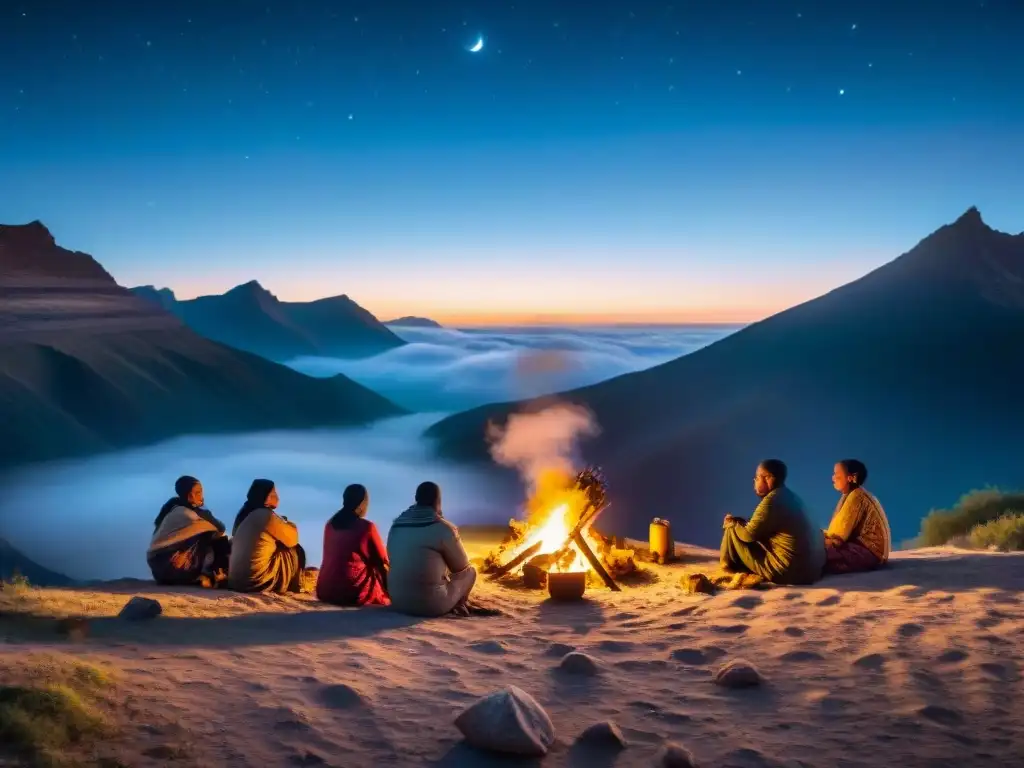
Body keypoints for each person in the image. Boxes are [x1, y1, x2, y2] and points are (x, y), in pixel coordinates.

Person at [719, 459, 826, 585]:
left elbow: (748, 535)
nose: (755, 482)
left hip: (790, 573)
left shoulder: (772, 501)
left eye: (757, 478)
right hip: (813, 572)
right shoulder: (792, 497)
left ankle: (727, 568)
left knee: (731, 527)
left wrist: (732, 523)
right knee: (738, 526)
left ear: (767, 478)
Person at [386, 481, 477, 617]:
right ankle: (459, 604)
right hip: (430, 606)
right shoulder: (443, 528)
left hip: (397, 601)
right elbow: (461, 568)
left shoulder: (396, 526)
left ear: (416, 499)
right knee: (470, 572)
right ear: (438, 500)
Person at [147, 475, 230, 588]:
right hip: (171, 566)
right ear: (189, 495)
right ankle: (220, 576)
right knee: (220, 540)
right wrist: (204, 509)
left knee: (205, 535)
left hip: (158, 569)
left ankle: (212, 574)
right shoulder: (189, 514)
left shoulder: (171, 507)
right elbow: (220, 528)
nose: (202, 496)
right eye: (198, 492)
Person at [316, 484, 390, 606]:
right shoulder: (367, 528)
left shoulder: (330, 525)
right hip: (352, 593)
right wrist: (390, 593)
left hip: (324, 590)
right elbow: (382, 562)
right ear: (362, 503)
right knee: (379, 567)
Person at [228, 479, 307, 594]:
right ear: (266, 497)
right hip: (256, 582)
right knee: (295, 550)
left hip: (235, 582)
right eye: (274, 494)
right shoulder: (265, 515)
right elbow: (292, 539)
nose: (278, 498)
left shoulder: (244, 512)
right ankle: (295, 585)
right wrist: (288, 523)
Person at [823, 459, 891, 574]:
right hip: (873, 553)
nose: (833, 478)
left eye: (837, 474)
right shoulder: (855, 495)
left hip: (869, 553)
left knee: (817, 554)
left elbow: (837, 537)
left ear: (851, 478)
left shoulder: (856, 497)